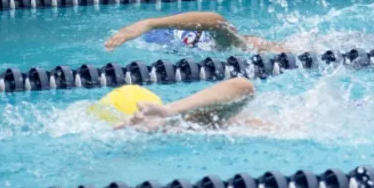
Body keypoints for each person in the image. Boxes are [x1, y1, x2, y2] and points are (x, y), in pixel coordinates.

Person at [86, 78, 258, 131]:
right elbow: (243, 86)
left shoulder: (190, 121)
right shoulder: (193, 124)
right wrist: (171, 111)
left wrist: (170, 111)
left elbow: (242, 87)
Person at [105, 12, 285, 54]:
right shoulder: (232, 44)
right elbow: (217, 22)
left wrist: (150, 24)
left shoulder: (234, 45)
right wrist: (149, 24)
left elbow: (217, 21)